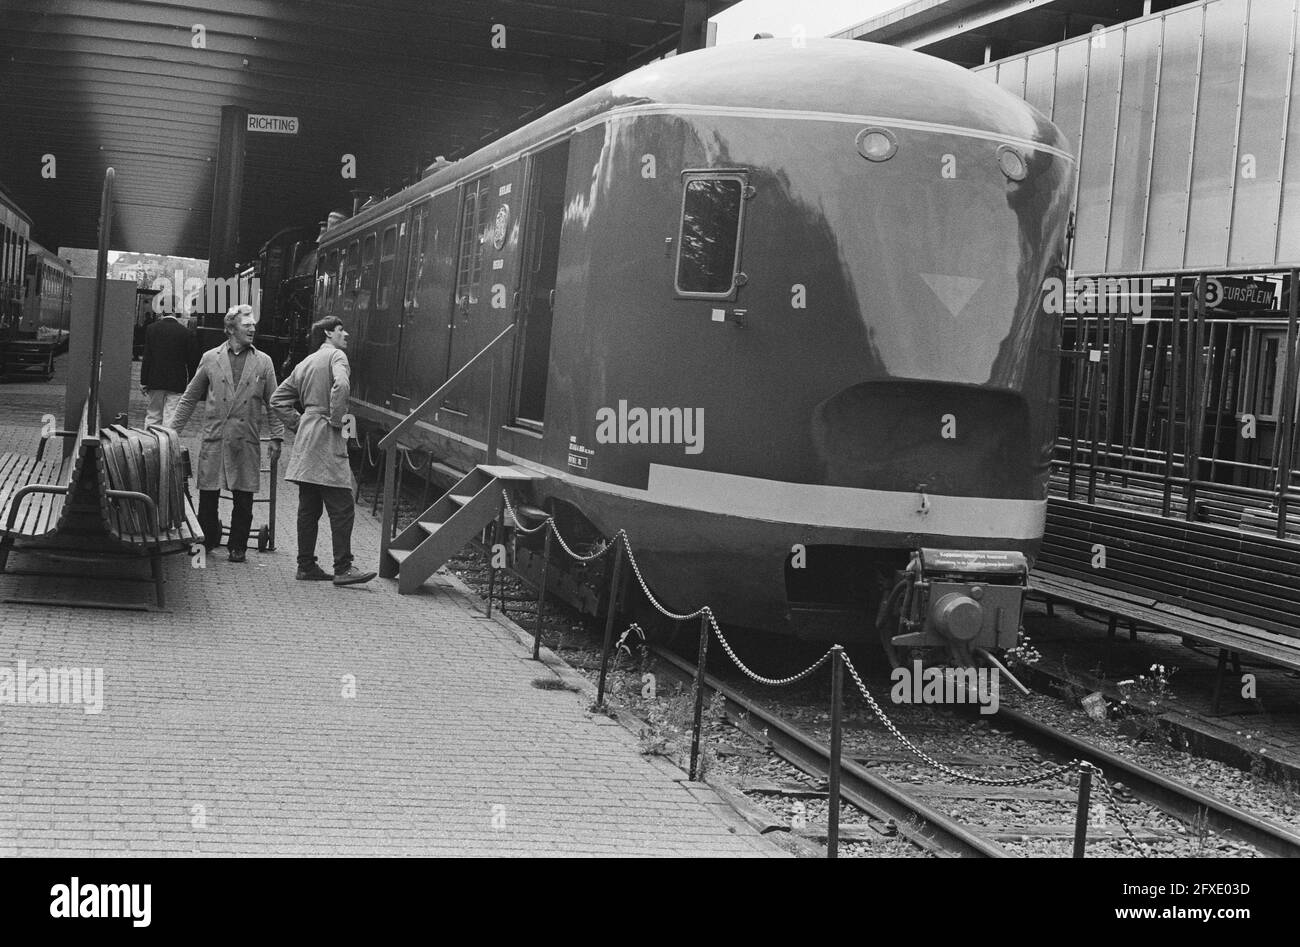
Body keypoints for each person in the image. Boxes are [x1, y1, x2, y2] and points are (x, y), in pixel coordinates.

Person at [169, 304, 284, 562]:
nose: (253, 328)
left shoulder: (263, 362)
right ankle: (205, 541)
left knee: (243, 497)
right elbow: (189, 398)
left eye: (254, 324)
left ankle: (238, 546)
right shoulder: (211, 358)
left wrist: (277, 437)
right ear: (231, 328)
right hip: (215, 436)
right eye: (247, 324)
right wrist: (171, 432)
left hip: (245, 438)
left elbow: (274, 403)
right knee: (208, 494)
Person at [270, 316, 376, 586]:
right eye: (341, 330)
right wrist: (337, 419)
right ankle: (343, 568)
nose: (347, 334)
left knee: (309, 507)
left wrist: (300, 423)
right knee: (343, 505)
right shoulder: (336, 356)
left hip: (308, 438)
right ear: (328, 333)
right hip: (327, 437)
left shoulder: (305, 362)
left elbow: (278, 400)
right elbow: (341, 385)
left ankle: (305, 566)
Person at [139, 300, 196, 427]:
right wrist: (191, 383)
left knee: (153, 415)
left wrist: (143, 381)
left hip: (155, 379)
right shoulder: (186, 333)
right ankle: (167, 444)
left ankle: (150, 443)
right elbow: (191, 361)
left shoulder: (151, 329)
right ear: (176, 310)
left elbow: (147, 357)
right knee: (171, 417)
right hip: (177, 381)